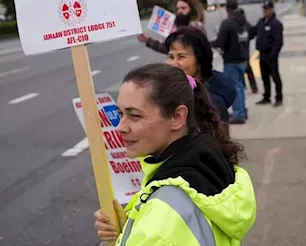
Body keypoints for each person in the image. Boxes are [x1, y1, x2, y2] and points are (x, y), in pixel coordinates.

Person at [94, 64, 257, 245]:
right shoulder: (208, 160)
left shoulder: (159, 220)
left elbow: (161, 232)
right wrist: (127, 231)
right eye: (120, 113)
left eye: (134, 115)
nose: (120, 127)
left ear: (177, 117)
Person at [165, 26, 236, 123]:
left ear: (200, 61)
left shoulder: (213, 103)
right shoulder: (167, 91)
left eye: (181, 57)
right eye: (171, 57)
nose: (174, 63)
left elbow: (219, 137)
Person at [210, 0, 250, 124]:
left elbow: (220, 42)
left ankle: (239, 114)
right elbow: (251, 33)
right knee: (240, 86)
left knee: (235, 87)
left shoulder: (227, 23)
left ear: (227, 9)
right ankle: (242, 110)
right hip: (243, 58)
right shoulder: (244, 21)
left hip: (231, 59)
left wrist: (209, 43)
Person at [138, 0, 206, 54]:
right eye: (177, 8)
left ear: (192, 9)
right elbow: (167, 48)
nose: (180, 11)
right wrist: (147, 40)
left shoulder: (197, 27)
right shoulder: (178, 27)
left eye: (183, 8)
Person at [252, 1, 284, 107]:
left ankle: (278, 97)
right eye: (264, 9)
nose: (265, 11)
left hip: (271, 55)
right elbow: (253, 31)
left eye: (267, 9)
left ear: (272, 10)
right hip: (262, 54)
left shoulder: (276, 24)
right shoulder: (261, 21)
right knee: (264, 77)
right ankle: (267, 96)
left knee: (275, 77)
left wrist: (273, 54)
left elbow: (278, 41)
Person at [238, 8, 259, 94]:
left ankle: (250, 86)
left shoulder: (243, 24)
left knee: (245, 69)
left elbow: (252, 33)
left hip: (242, 51)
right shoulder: (245, 24)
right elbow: (252, 33)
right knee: (246, 70)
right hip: (243, 51)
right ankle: (251, 86)